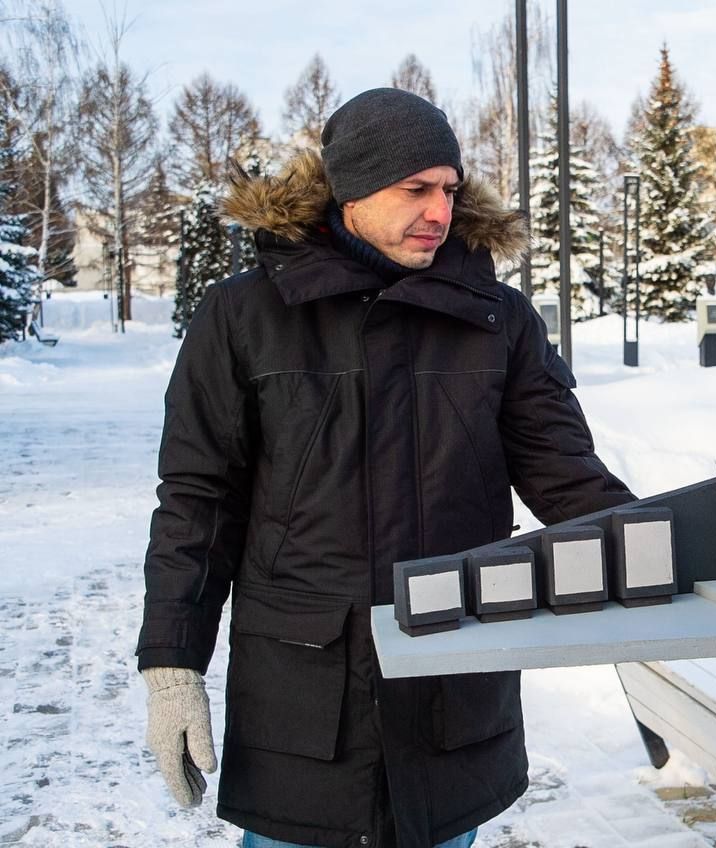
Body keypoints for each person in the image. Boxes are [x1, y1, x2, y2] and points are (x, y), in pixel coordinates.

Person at [136, 88, 633, 848]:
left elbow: (572, 483)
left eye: (450, 189)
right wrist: (173, 666)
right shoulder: (245, 318)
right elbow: (198, 503)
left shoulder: (496, 321)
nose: (440, 210)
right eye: (417, 189)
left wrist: (687, 547)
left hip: (449, 695)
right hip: (303, 700)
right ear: (354, 191)